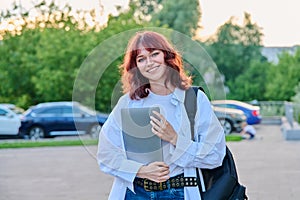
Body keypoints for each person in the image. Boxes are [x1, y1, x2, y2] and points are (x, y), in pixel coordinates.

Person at [97, 31, 226, 200]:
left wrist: (175, 139)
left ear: (167, 56)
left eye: (154, 54)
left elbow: (215, 155)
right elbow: (105, 154)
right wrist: (140, 171)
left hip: (179, 192)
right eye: (141, 59)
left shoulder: (193, 99)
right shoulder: (128, 102)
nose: (149, 63)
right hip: (136, 193)